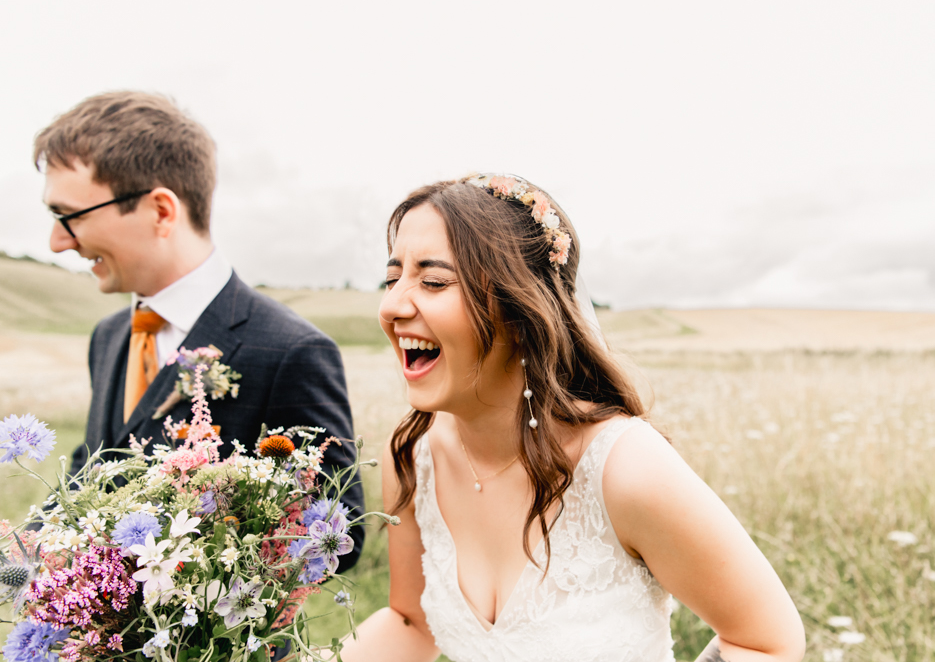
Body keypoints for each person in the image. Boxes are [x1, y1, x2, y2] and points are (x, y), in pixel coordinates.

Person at [339, 175, 805, 662]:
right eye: (392, 279)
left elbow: (767, 643)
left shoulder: (624, 467)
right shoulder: (412, 458)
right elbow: (411, 623)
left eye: (433, 281)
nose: (391, 306)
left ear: (520, 310)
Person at [34, 91, 365, 571]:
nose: (58, 241)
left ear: (161, 211)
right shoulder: (108, 337)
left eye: (71, 216)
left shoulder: (292, 350)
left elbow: (343, 530)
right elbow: (96, 469)